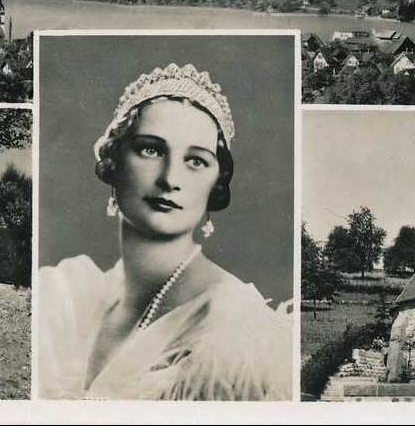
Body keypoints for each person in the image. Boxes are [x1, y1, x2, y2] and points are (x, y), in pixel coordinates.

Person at [38, 62, 292, 400]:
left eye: (196, 160)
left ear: (215, 183)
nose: (171, 178)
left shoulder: (236, 329)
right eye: (151, 149)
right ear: (114, 162)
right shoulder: (68, 295)